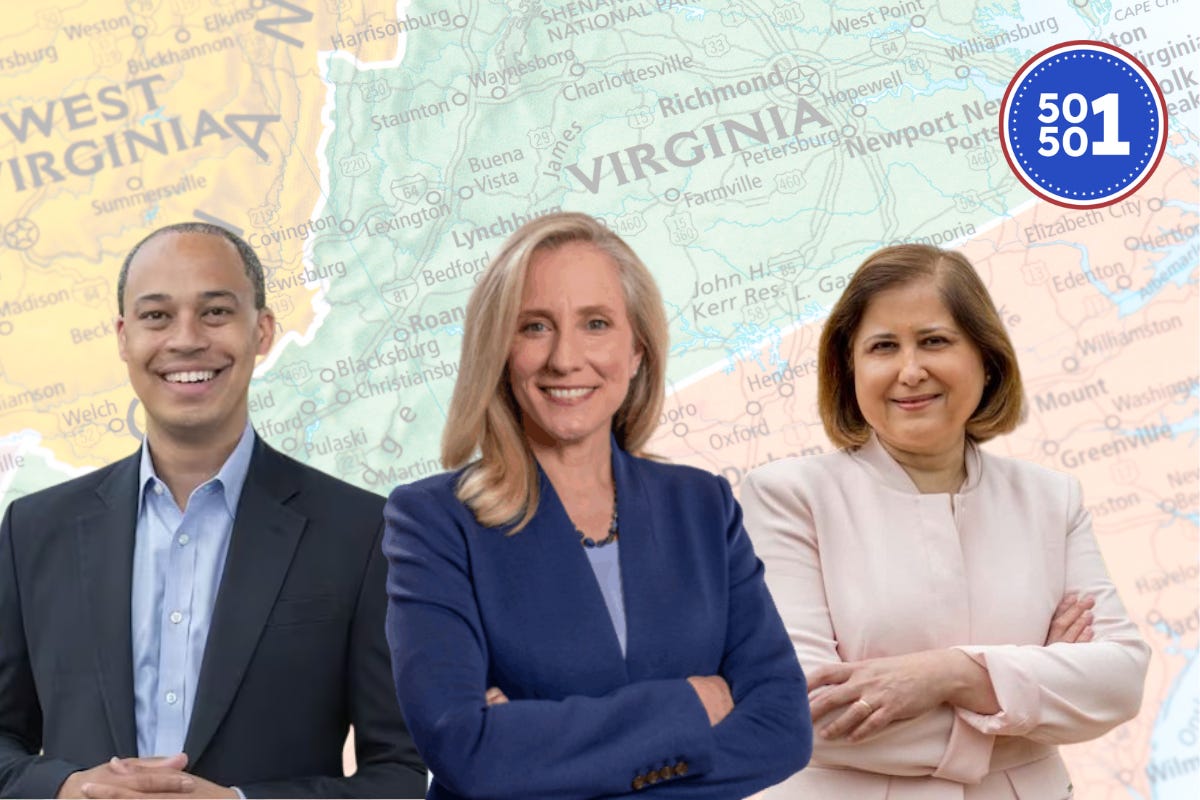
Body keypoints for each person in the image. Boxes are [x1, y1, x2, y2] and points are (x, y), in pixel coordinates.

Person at [382, 212, 811, 799]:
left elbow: (783, 728)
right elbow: (469, 752)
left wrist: (537, 750)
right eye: (534, 326)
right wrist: (691, 704)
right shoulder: (432, 521)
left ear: (637, 350)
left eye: (596, 324)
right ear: (499, 352)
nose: (565, 358)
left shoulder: (703, 506)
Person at [0, 222, 427, 798]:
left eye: (216, 312)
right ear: (124, 338)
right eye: (156, 316)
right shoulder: (33, 532)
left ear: (264, 330)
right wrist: (66, 788)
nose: (186, 339)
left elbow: (398, 774)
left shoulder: (360, 531)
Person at [741, 244, 1149, 799]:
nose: (911, 371)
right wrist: (1030, 690)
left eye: (934, 341)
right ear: (850, 369)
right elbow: (800, 708)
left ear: (986, 358)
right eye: (884, 347)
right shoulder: (788, 497)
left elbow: (1120, 680)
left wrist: (950, 675)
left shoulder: (1052, 499)